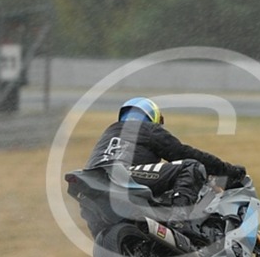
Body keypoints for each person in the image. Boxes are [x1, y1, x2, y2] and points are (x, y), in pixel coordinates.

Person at [84, 97, 246, 230]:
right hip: (123, 175)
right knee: (192, 166)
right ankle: (179, 220)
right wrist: (228, 171)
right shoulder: (147, 129)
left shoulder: (109, 133)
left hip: (93, 184)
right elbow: (184, 153)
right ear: (153, 117)